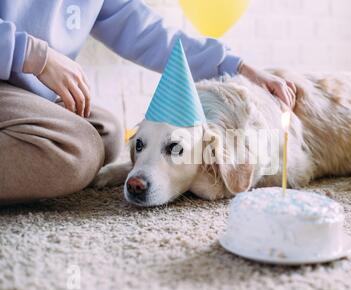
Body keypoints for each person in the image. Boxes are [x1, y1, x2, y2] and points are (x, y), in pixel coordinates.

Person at [0, 0, 296, 205]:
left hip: (27, 94)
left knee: (108, 132)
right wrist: (30, 54)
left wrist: (237, 65)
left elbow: (147, 33)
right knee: (78, 151)